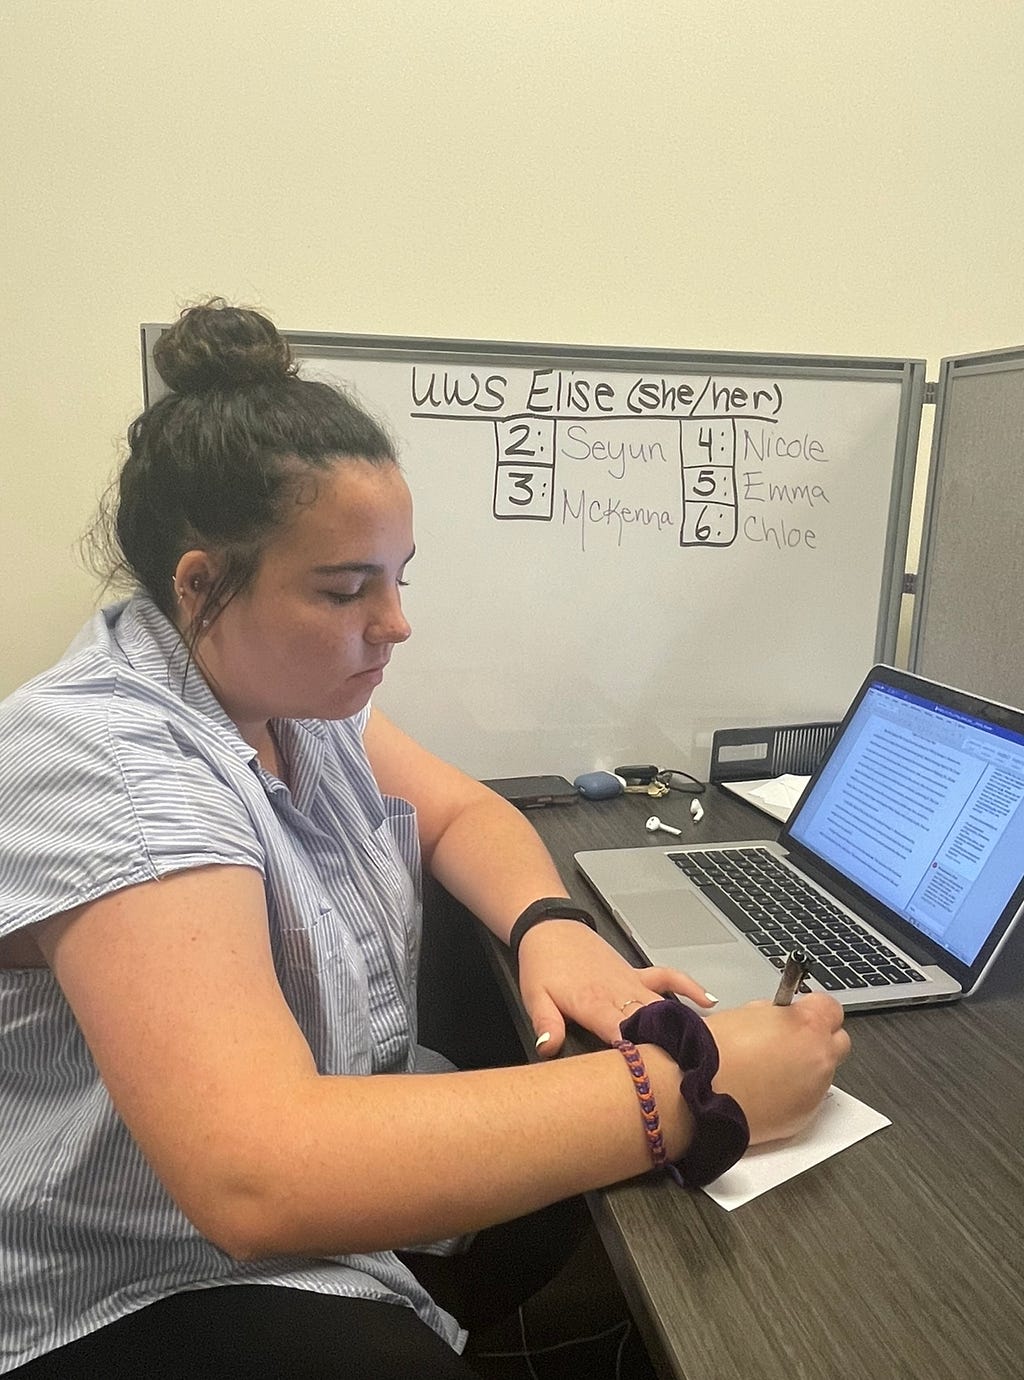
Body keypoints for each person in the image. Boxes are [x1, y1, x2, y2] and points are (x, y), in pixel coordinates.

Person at [0, 300, 850, 1377]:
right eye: (346, 590)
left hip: (314, 1218)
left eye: (398, 578)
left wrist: (551, 926)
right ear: (200, 583)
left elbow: (461, 812)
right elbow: (254, 1177)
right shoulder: (109, 759)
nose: (394, 623)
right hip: (135, 1273)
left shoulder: (296, 692)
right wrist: (693, 1090)